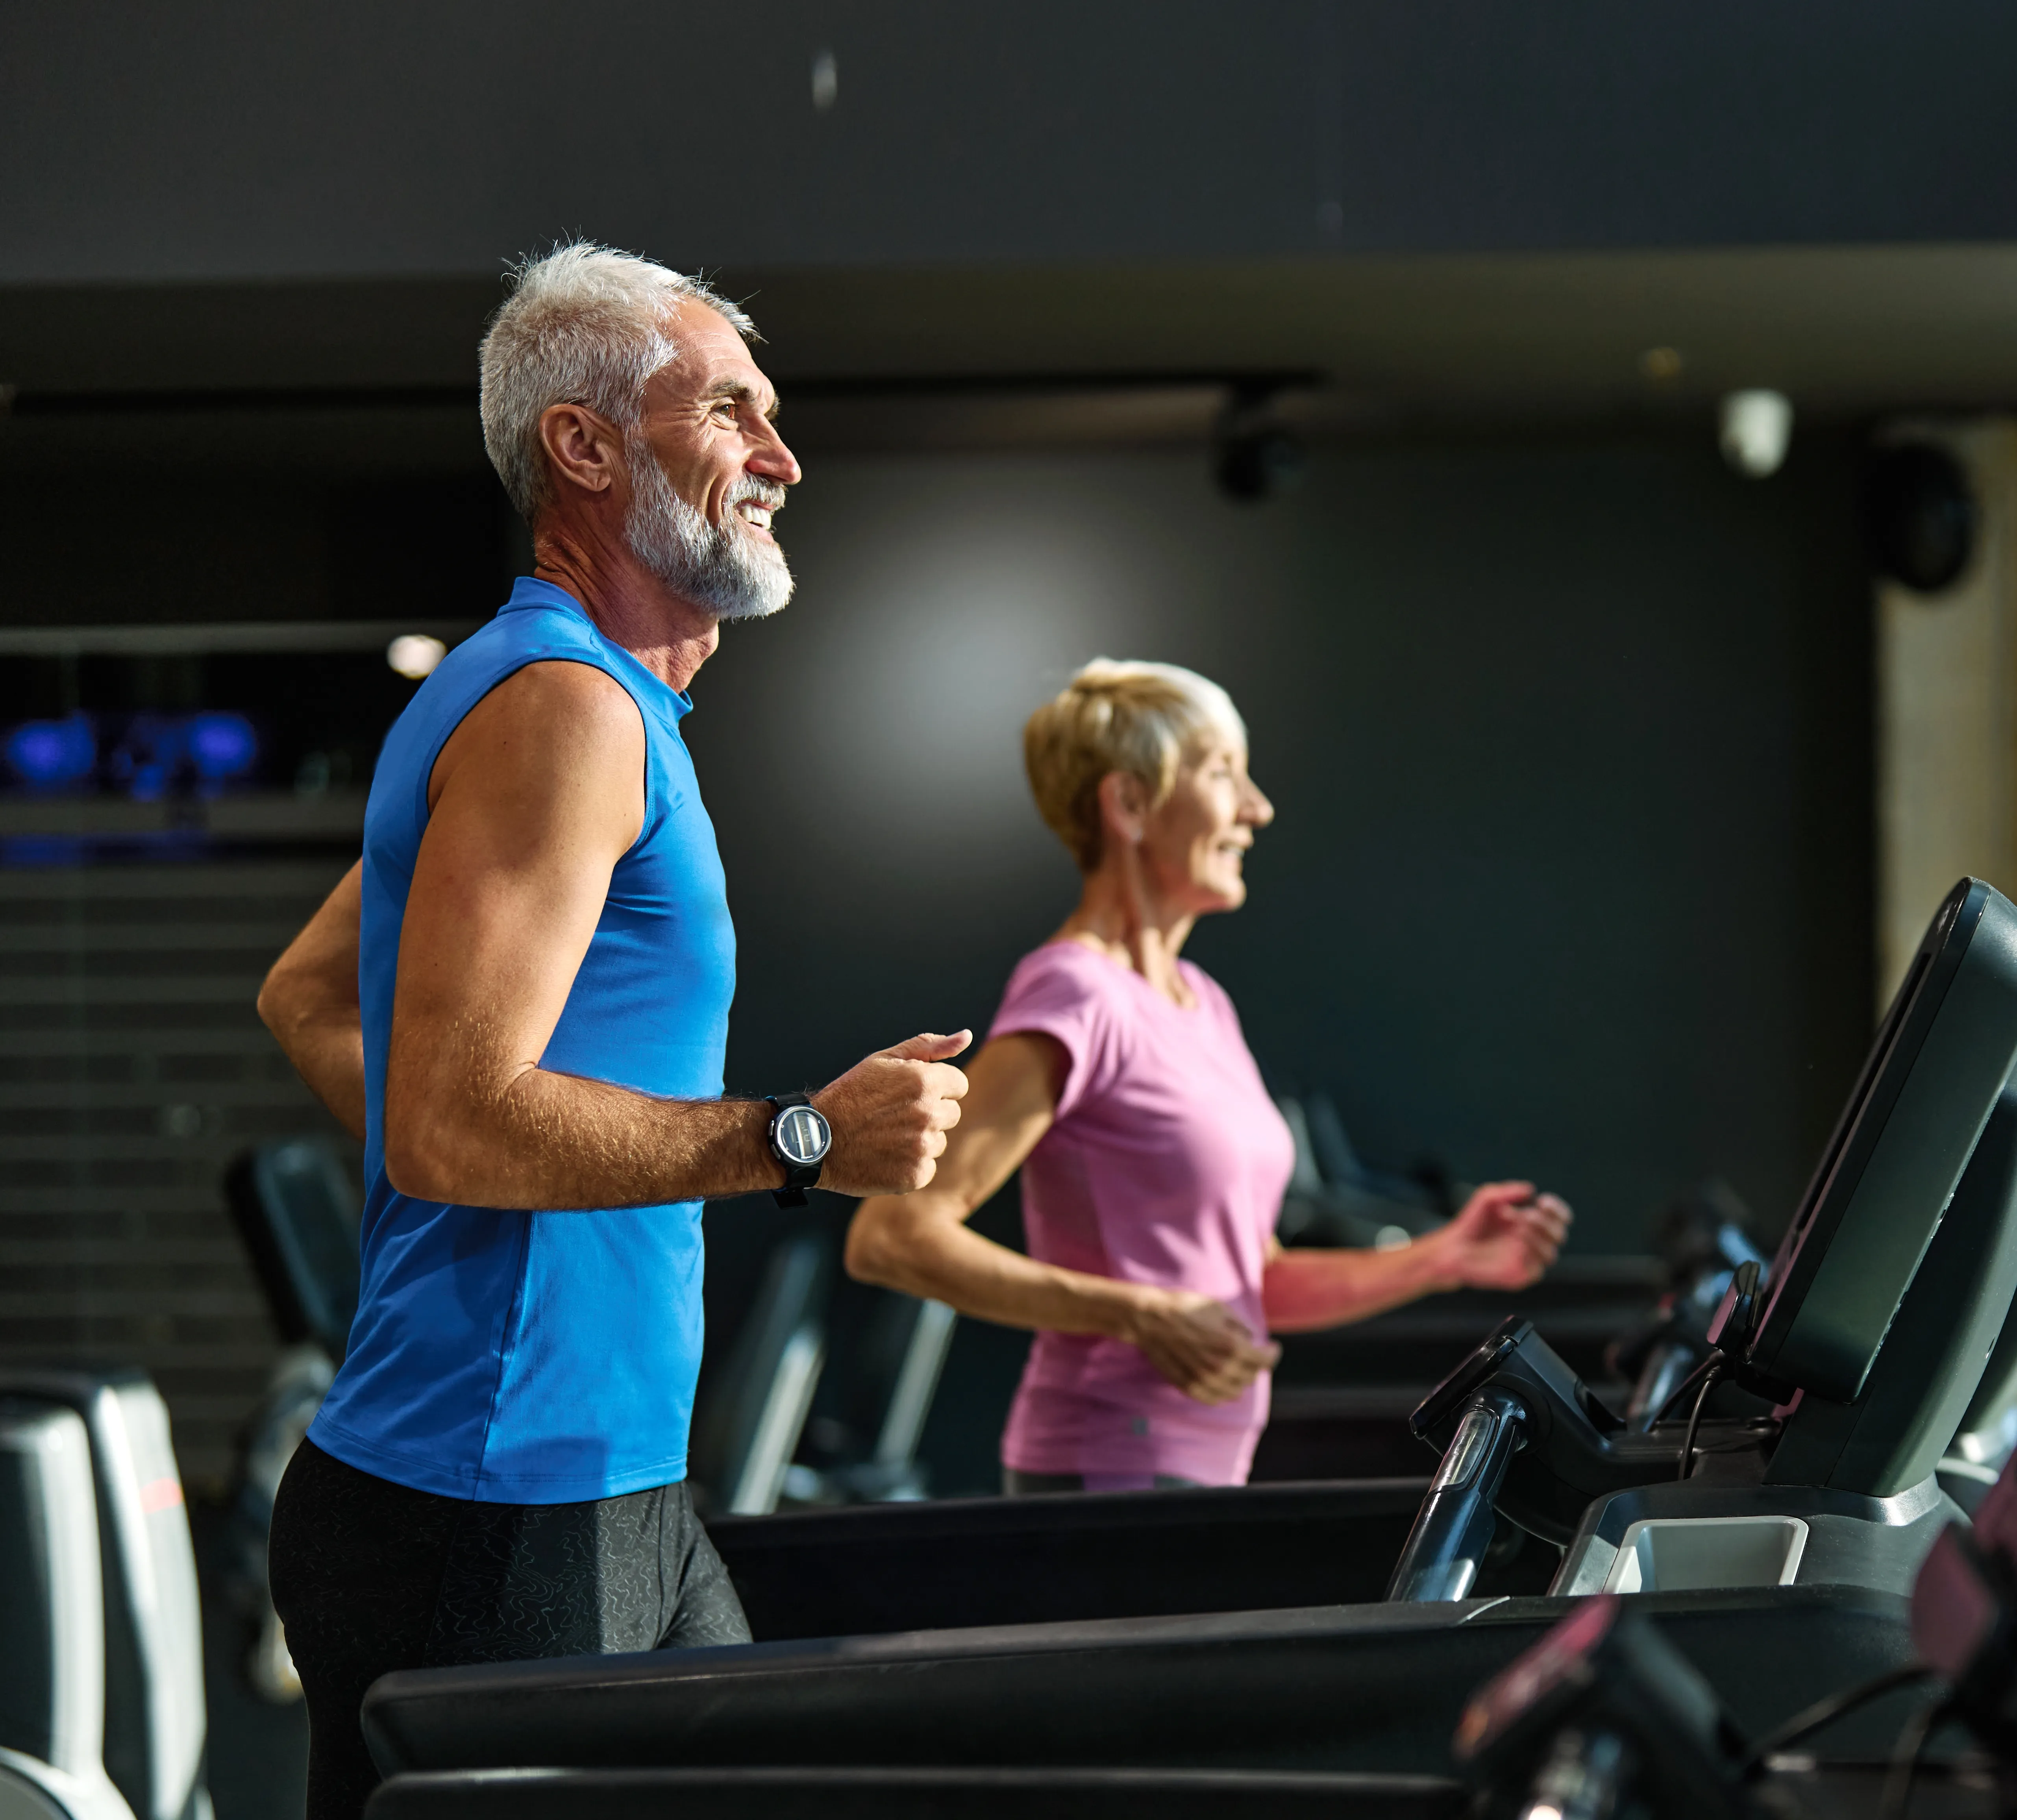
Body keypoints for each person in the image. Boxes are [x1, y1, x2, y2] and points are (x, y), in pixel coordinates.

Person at [254, 243, 970, 1819]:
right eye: (729, 411)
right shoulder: (560, 713)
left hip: (596, 1477)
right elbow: (449, 1120)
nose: (781, 456)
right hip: (489, 1503)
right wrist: (804, 1138)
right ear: (581, 447)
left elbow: (310, 993)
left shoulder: (583, 705)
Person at [845, 659, 1571, 1492]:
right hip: (1105, 1463)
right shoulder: (1077, 990)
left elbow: (1250, 1281)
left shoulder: (1205, 1005)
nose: (1257, 808)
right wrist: (1137, 1312)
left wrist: (1444, 1257)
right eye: (1226, 773)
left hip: (1197, 1464)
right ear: (1130, 805)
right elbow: (894, 1236)